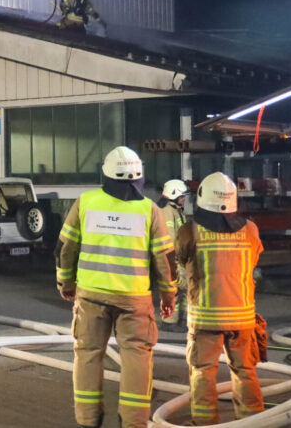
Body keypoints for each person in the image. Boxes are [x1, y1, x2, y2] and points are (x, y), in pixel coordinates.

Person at [56, 146, 177, 428]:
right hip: (134, 299)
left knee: (88, 354)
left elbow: (65, 248)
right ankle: (133, 422)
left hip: (91, 296)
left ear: (106, 173)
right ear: (139, 177)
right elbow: (165, 259)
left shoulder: (85, 202)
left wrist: (66, 282)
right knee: (137, 357)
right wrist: (168, 294)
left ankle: (88, 420)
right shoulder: (150, 210)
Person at [175, 172, 264, 424]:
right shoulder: (251, 230)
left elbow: (179, 265)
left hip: (205, 319)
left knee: (203, 372)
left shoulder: (189, 231)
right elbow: (253, 262)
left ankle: (204, 423)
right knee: (246, 371)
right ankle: (253, 422)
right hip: (242, 317)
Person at [158, 179, 189, 329]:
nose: (184, 198)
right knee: (172, 291)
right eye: (182, 196)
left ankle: (183, 319)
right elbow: (170, 237)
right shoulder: (167, 212)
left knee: (186, 289)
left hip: (179, 258)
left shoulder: (177, 212)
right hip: (172, 258)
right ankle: (169, 322)